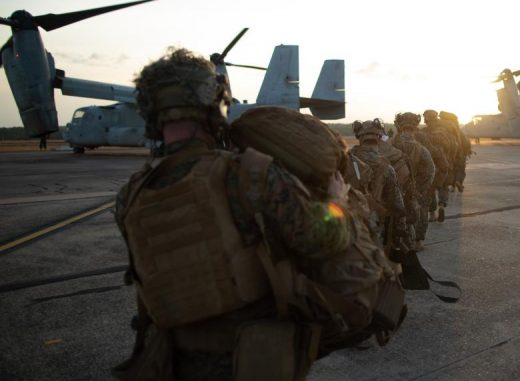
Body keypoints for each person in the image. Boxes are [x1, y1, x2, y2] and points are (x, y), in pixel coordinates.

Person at [113, 48, 372, 380]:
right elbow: (322, 240)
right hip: (247, 359)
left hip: (168, 361)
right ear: (213, 105)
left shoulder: (130, 195)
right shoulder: (248, 175)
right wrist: (337, 204)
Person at [349, 119, 411, 257]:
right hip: (374, 227)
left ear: (359, 137)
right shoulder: (386, 167)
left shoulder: (346, 161)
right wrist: (400, 234)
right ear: (378, 137)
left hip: (347, 225)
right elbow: (397, 205)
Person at [392, 112, 435, 250]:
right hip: (418, 184)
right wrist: (421, 187)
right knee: (421, 208)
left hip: (397, 185)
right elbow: (430, 168)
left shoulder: (393, 142)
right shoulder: (422, 143)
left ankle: (399, 240)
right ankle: (418, 241)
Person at [422, 110, 455, 222]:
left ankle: (432, 213)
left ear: (426, 118)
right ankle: (441, 205)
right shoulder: (445, 131)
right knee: (443, 187)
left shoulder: (424, 132)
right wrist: (450, 160)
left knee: (430, 189)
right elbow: (453, 146)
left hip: (430, 165)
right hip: (445, 163)